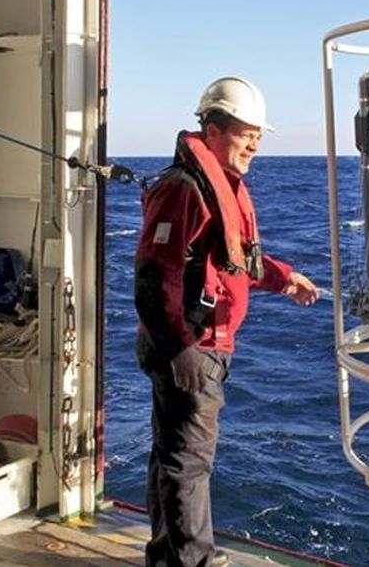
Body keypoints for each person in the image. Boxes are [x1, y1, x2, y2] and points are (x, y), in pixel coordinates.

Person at [134, 76, 319, 567]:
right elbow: (155, 277)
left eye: (258, 134)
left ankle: (167, 557)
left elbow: (229, 264)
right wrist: (180, 349)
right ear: (212, 129)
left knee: (172, 456)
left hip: (199, 345)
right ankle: (192, 562)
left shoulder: (219, 188)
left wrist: (283, 279)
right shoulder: (183, 191)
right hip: (192, 347)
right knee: (188, 463)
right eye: (244, 132)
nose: (254, 144)